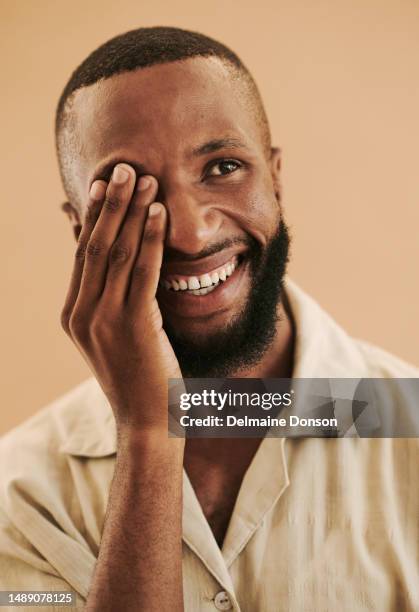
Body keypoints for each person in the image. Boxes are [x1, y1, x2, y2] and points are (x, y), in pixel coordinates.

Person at [0, 26, 418, 612]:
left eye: (223, 167)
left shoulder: (410, 436)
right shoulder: (19, 494)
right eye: (133, 194)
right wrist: (150, 431)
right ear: (81, 230)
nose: (192, 232)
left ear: (275, 176)